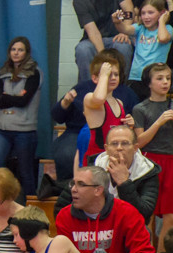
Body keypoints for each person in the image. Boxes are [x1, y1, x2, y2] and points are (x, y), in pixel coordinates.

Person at [55, 165, 154, 253]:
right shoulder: (64, 216)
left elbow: (143, 252)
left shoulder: (126, 212)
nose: (73, 189)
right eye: (73, 184)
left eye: (81, 184)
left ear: (98, 190)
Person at [51, 50, 139, 181]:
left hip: (112, 153)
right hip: (96, 158)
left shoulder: (120, 101)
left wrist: (129, 125)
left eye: (116, 74)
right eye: (109, 74)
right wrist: (103, 75)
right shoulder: (89, 96)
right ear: (95, 78)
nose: (113, 78)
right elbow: (99, 99)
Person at [56, 125, 160, 224]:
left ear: (135, 147)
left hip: (129, 227)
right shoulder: (92, 167)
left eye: (125, 143)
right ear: (106, 148)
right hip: (93, 227)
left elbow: (144, 213)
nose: (119, 148)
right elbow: (61, 206)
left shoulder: (147, 171)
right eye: (114, 143)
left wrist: (124, 183)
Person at [133, 63, 173, 253]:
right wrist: (159, 122)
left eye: (168, 78)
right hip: (148, 162)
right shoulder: (141, 108)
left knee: (171, 214)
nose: (165, 82)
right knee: (148, 213)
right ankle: (145, 252)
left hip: (169, 160)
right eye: (160, 78)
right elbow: (139, 142)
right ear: (149, 83)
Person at [0, 36, 41, 200]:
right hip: (3, 129)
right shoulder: (4, 72)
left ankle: (32, 206)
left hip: (24, 131)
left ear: (26, 52)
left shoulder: (34, 72)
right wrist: (13, 97)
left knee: (25, 170)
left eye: (20, 50)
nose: (16, 53)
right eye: (13, 49)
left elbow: (24, 101)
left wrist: (7, 96)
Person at [113, 0, 172, 101]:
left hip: (153, 79)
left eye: (151, 13)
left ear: (162, 13)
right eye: (143, 13)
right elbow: (125, 29)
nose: (146, 17)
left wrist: (162, 21)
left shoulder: (167, 28)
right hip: (135, 77)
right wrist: (117, 22)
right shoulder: (140, 28)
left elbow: (162, 38)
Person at [73, 0, 135, 83]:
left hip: (117, 36)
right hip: (94, 39)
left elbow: (129, 9)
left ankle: (120, 88)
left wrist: (124, 30)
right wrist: (104, 57)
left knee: (123, 46)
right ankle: (88, 89)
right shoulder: (79, 2)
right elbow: (93, 32)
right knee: (83, 49)